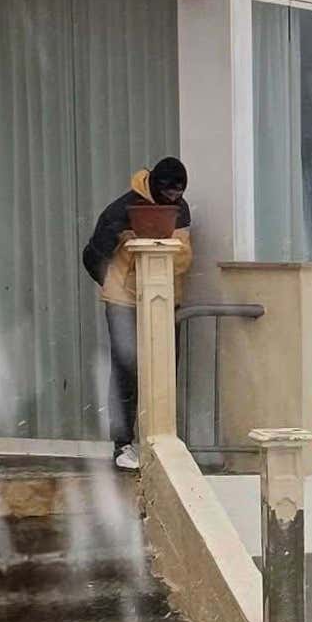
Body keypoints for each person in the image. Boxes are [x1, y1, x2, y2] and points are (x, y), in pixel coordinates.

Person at [82, 157, 193, 470]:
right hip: (123, 303)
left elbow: (182, 258)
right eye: (168, 193)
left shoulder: (180, 210)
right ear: (155, 185)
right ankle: (122, 445)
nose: (173, 199)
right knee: (125, 371)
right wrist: (118, 282)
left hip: (164, 299)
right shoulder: (122, 211)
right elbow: (93, 256)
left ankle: (159, 440)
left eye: (179, 193)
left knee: (164, 369)